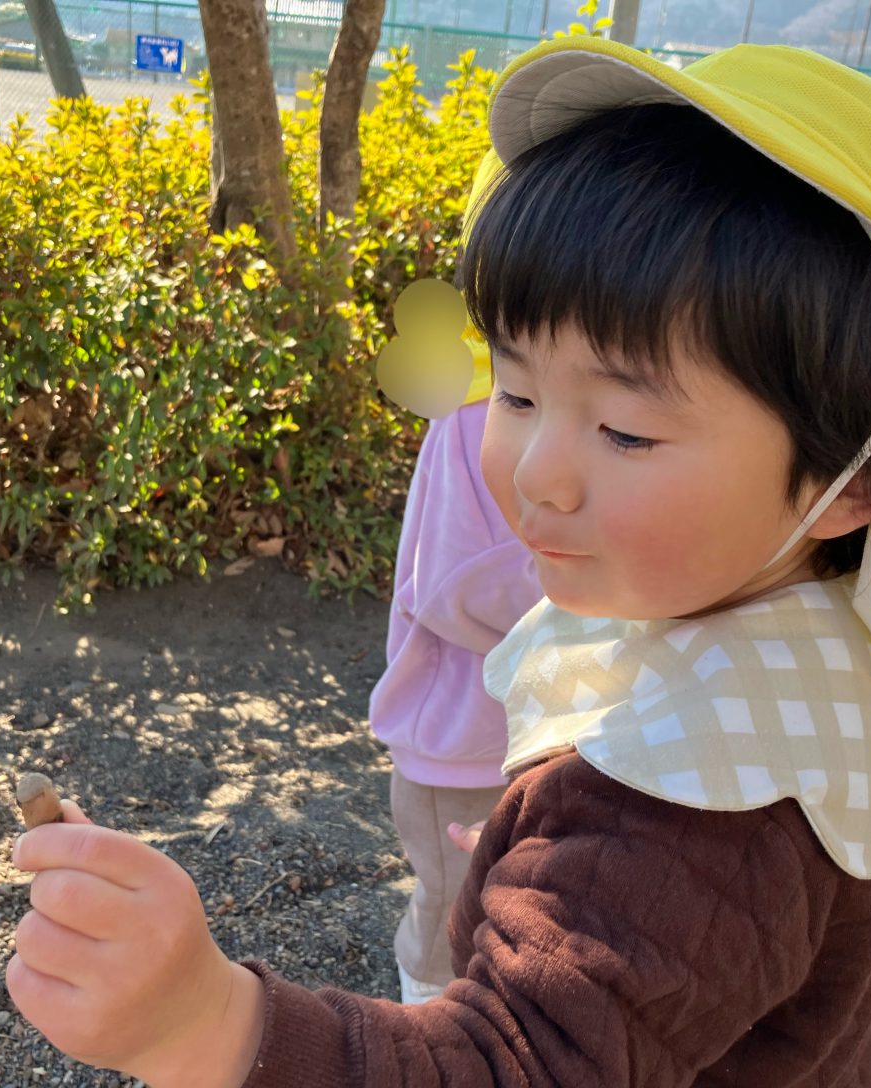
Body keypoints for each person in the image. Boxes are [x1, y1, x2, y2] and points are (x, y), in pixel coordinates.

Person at [6, 37, 871, 1088]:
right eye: (516, 392)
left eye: (625, 430)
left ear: (858, 479)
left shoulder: (693, 816)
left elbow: (506, 1063)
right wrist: (555, 854)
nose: (535, 474)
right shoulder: (785, 638)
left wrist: (206, 1021)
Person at [370, 150, 543, 1004]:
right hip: (461, 742)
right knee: (450, 906)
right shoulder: (477, 408)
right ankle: (423, 1024)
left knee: (515, 897)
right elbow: (450, 585)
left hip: (528, 730)